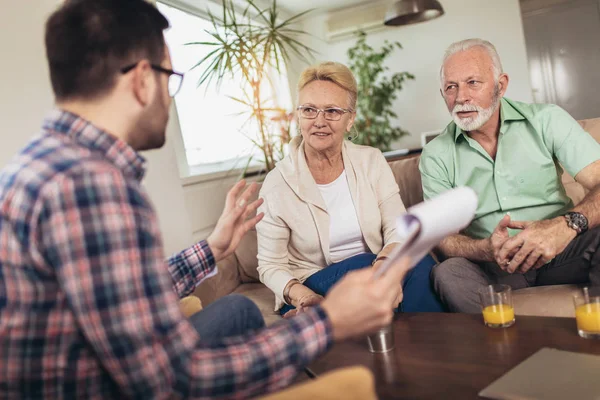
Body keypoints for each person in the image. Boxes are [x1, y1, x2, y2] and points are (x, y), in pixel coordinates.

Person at [0, 1, 412, 398]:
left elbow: (125, 292)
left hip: (81, 366)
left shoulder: (45, 162)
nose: (169, 95)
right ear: (143, 79)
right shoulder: (93, 189)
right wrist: (329, 320)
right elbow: (169, 381)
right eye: (168, 77)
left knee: (240, 312)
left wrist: (211, 250)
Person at [419, 38, 600, 313]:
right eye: (451, 87)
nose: (461, 97)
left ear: (500, 85)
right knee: (448, 273)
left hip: (562, 249)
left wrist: (564, 226)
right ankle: (509, 349)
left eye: (473, 83)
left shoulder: (546, 119)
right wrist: (485, 249)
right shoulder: (435, 155)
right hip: (495, 268)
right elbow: (444, 238)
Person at [257, 61, 445, 318]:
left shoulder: (371, 161)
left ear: (350, 119)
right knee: (369, 266)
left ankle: (413, 345)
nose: (319, 121)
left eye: (332, 111)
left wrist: (385, 263)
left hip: (375, 269)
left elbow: (398, 227)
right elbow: (270, 265)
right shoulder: (277, 183)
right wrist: (305, 297)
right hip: (311, 287)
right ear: (298, 116)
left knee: (415, 260)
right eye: (309, 110)